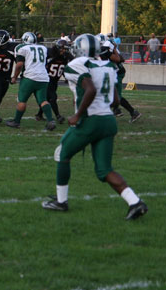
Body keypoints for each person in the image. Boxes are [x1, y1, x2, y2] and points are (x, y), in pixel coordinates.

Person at [41, 33, 147, 220]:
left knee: (63, 154)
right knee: (104, 170)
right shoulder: (108, 65)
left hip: (91, 120)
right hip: (108, 121)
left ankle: (61, 201)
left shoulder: (76, 64)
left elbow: (90, 89)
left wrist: (77, 115)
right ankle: (135, 202)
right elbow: (115, 100)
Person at [5, 31, 56, 131]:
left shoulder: (22, 48)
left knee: (22, 100)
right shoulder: (43, 48)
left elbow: (19, 65)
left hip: (29, 77)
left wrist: (14, 77)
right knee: (43, 100)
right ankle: (50, 120)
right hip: (43, 78)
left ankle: (16, 121)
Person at [100, 36, 142, 123]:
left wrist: (114, 50)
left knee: (116, 96)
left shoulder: (105, 50)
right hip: (114, 73)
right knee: (109, 93)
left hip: (117, 73)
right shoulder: (106, 50)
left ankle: (132, 112)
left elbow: (120, 59)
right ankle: (117, 110)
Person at [35, 38, 73, 124]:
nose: (64, 51)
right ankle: (58, 116)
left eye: (65, 49)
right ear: (58, 48)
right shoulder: (50, 54)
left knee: (48, 98)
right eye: (63, 48)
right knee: (53, 98)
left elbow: (65, 67)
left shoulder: (66, 56)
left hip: (55, 80)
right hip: (46, 79)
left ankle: (39, 115)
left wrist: (66, 76)